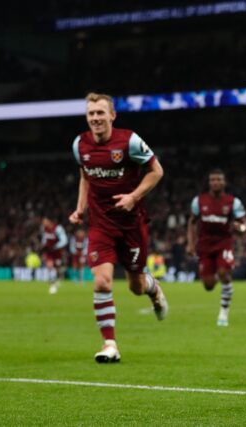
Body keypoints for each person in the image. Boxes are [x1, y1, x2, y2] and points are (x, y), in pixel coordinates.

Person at [69, 92, 168, 364]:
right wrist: (80, 209)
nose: (96, 118)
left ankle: (153, 289)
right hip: (100, 225)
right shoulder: (80, 145)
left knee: (136, 286)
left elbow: (156, 171)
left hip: (131, 224)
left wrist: (133, 197)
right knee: (101, 281)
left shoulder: (129, 141)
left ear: (112, 115)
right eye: (91, 114)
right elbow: (85, 176)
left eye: (101, 113)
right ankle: (109, 344)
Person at [187, 169, 246, 327]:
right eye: (212, 180)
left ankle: (223, 312)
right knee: (208, 286)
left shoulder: (233, 202)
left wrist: (239, 227)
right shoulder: (199, 201)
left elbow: (244, 225)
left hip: (224, 243)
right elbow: (192, 222)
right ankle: (219, 278)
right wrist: (190, 243)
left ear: (224, 182)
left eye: (219, 179)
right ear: (209, 183)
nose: (215, 182)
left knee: (223, 273)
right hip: (205, 244)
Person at [41, 216, 68, 294]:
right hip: (49, 251)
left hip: (57, 251)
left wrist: (56, 246)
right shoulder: (45, 228)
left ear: (50, 221)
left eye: (45, 221)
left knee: (57, 267)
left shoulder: (58, 228)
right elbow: (44, 237)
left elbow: (64, 240)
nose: (44, 223)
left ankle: (59, 278)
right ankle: (52, 282)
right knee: (49, 265)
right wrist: (44, 244)